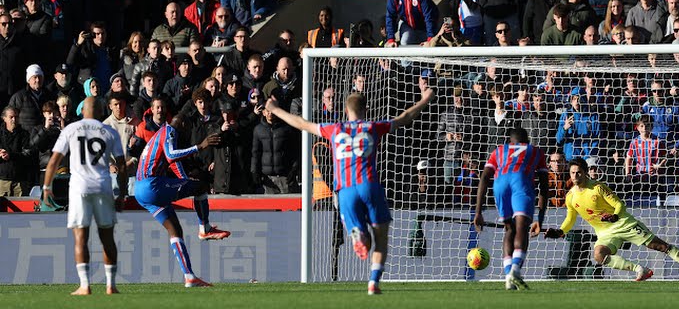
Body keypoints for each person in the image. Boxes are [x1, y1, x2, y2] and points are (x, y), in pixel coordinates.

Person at [265, 87, 435, 294]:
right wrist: (425, 99)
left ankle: (357, 233)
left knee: (363, 236)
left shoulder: (334, 129)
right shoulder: (373, 127)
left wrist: (275, 109)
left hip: (345, 190)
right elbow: (405, 117)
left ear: (346, 111)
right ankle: (373, 282)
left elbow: (301, 123)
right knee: (380, 237)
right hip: (369, 185)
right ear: (366, 110)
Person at [544, 158, 679, 281]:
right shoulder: (570, 196)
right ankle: (640, 269)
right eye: (572, 172)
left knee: (661, 247)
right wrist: (560, 231)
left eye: (578, 172)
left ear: (585, 172)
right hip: (605, 233)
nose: (575, 175)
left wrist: (614, 216)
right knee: (599, 255)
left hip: (624, 223)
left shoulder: (597, 188)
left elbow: (619, 204)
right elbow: (570, 218)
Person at [42, 96, 127, 295]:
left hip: (79, 188)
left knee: (81, 238)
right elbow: (122, 166)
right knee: (107, 237)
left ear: (82, 111)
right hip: (103, 186)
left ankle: (85, 285)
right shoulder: (110, 131)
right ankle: (111, 285)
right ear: (101, 111)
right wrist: (122, 194)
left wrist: (46, 187)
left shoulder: (71, 129)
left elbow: (54, 160)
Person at [134, 113, 227, 288]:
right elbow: (171, 155)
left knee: (175, 229)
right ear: (183, 124)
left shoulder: (161, 134)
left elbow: (173, 162)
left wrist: (184, 181)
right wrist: (199, 146)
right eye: (189, 128)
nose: (189, 133)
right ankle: (205, 228)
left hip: (140, 190)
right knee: (201, 187)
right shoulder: (170, 131)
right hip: (152, 185)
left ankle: (189, 276)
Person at [473, 127, 549, 290]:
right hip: (520, 182)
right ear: (527, 141)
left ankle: (508, 275)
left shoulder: (499, 151)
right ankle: (515, 268)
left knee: (509, 229)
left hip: (500, 184)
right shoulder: (535, 151)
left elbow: (484, 177)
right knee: (522, 228)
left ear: (509, 141)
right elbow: (544, 186)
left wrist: (478, 212)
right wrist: (540, 218)